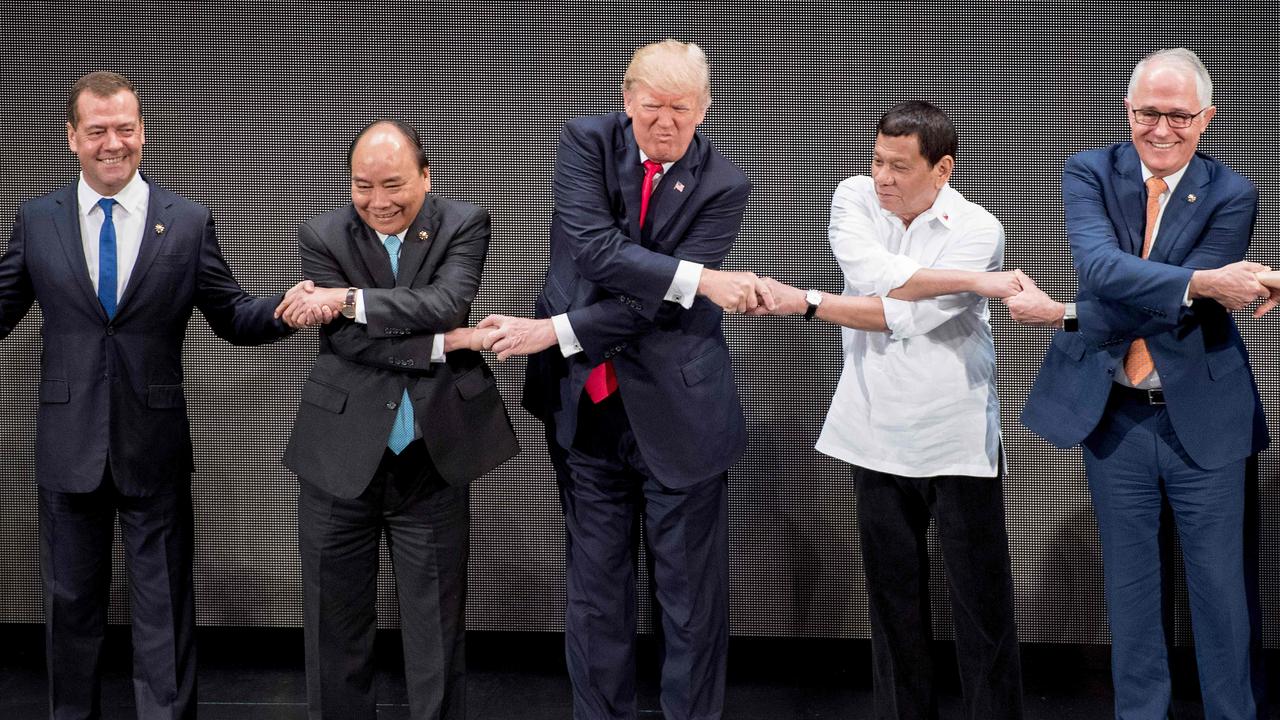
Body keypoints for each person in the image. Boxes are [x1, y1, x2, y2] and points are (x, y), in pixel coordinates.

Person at [0, 71, 308, 719]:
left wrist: (286, 310)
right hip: (68, 448)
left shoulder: (188, 222)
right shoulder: (37, 220)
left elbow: (232, 316)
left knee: (164, 615)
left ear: (144, 131)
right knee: (69, 614)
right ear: (71, 137)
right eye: (99, 130)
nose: (115, 143)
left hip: (155, 449)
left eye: (127, 129)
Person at [476, 40, 768, 720]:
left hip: (679, 416)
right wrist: (700, 279)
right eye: (652, 108)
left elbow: (654, 304)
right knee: (594, 592)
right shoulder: (584, 141)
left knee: (690, 601)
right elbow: (594, 248)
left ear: (705, 110)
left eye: (682, 111)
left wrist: (555, 330)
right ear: (627, 98)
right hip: (586, 406)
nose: (666, 123)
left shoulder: (725, 184)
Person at [1013, 48, 1269, 719]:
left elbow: (1167, 305)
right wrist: (1204, 282)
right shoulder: (1089, 170)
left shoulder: (1232, 193)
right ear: (1128, 110)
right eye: (1148, 113)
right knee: (1130, 597)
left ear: (1206, 118)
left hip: (1203, 421)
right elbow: (1101, 270)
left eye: (1178, 115)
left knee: (1222, 600)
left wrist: (1062, 313)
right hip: (1116, 419)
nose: (1162, 128)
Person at [758, 100, 1024, 720]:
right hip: (872, 433)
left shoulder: (979, 230)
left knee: (981, 610)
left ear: (942, 170)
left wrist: (808, 302)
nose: (882, 177)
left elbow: (901, 312)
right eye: (877, 160)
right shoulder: (853, 196)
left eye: (899, 167)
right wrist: (966, 282)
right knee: (893, 605)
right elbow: (870, 272)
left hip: (955, 437)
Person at [276, 119, 519, 720]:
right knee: (334, 630)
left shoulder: (463, 223)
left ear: (426, 178)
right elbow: (347, 344)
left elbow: (446, 303)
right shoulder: (322, 233)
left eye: (394, 186)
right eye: (363, 187)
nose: (378, 203)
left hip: (431, 461)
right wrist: (445, 344)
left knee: (437, 636)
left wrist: (350, 300)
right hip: (339, 460)